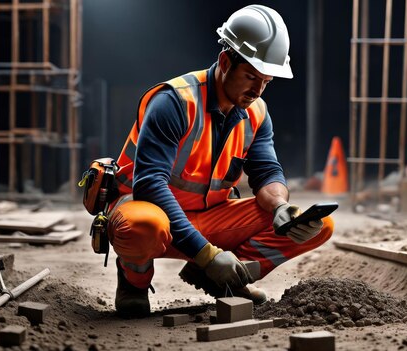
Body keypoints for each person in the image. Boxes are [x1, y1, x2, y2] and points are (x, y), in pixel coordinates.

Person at [107, 4, 334, 318]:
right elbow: (148, 185)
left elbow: (267, 171)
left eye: (266, 81)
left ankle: (229, 277)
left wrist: (281, 206)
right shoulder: (174, 102)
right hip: (154, 215)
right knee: (142, 225)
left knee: (316, 225)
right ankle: (134, 281)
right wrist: (207, 254)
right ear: (225, 61)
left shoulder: (256, 112)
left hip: (210, 217)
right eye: (251, 77)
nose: (258, 90)